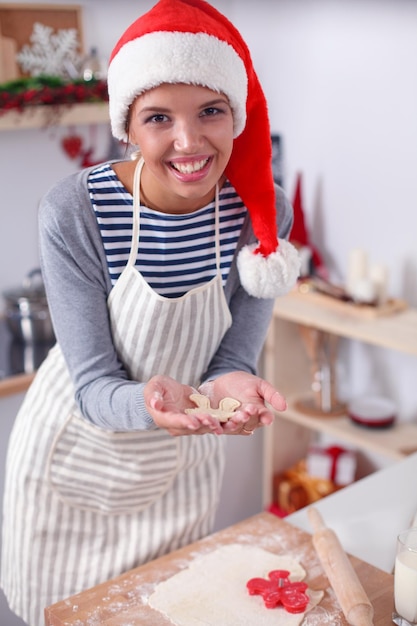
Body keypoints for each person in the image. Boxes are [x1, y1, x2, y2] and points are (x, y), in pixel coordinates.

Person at [1, 0, 300, 623]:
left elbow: (233, 355)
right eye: (158, 116)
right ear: (128, 127)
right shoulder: (75, 212)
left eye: (210, 111)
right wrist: (153, 402)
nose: (189, 142)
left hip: (180, 467)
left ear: (236, 115)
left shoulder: (260, 209)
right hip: (75, 463)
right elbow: (92, 387)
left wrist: (231, 384)